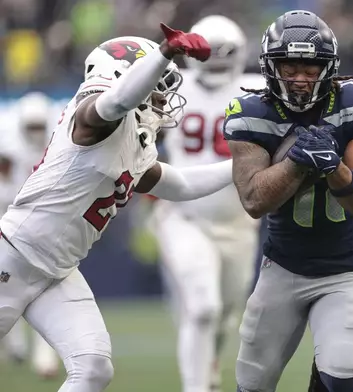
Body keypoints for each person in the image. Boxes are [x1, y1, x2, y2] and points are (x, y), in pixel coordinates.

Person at [0, 23, 237, 391]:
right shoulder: (96, 117)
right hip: (12, 258)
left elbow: (184, 184)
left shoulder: (136, 142)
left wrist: (250, 164)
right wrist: (162, 55)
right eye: (159, 88)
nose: (163, 100)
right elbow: (116, 102)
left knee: (93, 368)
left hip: (58, 272)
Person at [224, 10, 353, 392]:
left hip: (347, 268)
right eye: (289, 67)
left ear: (328, 68)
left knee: (342, 375)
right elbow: (253, 201)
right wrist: (297, 163)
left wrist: (334, 168)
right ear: (269, 67)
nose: (299, 79)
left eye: (310, 69)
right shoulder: (250, 114)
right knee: (252, 384)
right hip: (283, 267)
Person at [153, 14, 264, 392]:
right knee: (203, 308)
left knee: (226, 316)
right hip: (185, 217)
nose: (215, 61)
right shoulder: (171, 85)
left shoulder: (258, 90)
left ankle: (210, 364)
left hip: (239, 223)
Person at [1, 92, 60, 379]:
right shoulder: (9, 150)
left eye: (40, 126)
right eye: (31, 126)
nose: (36, 133)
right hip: (10, 228)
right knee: (8, 289)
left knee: (44, 292)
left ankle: (43, 357)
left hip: (46, 231)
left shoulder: (59, 145)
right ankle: (15, 345)